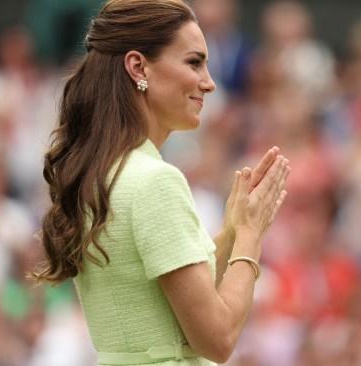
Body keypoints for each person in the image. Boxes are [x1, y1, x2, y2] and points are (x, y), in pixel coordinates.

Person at [31, 1, 290, 365]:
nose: (209, 83)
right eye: (194, 62)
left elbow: (166, 298)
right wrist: (251, 236)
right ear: (138, 66)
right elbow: (217, 338)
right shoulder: (156, 181)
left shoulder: (105, 170)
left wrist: (231, 233)